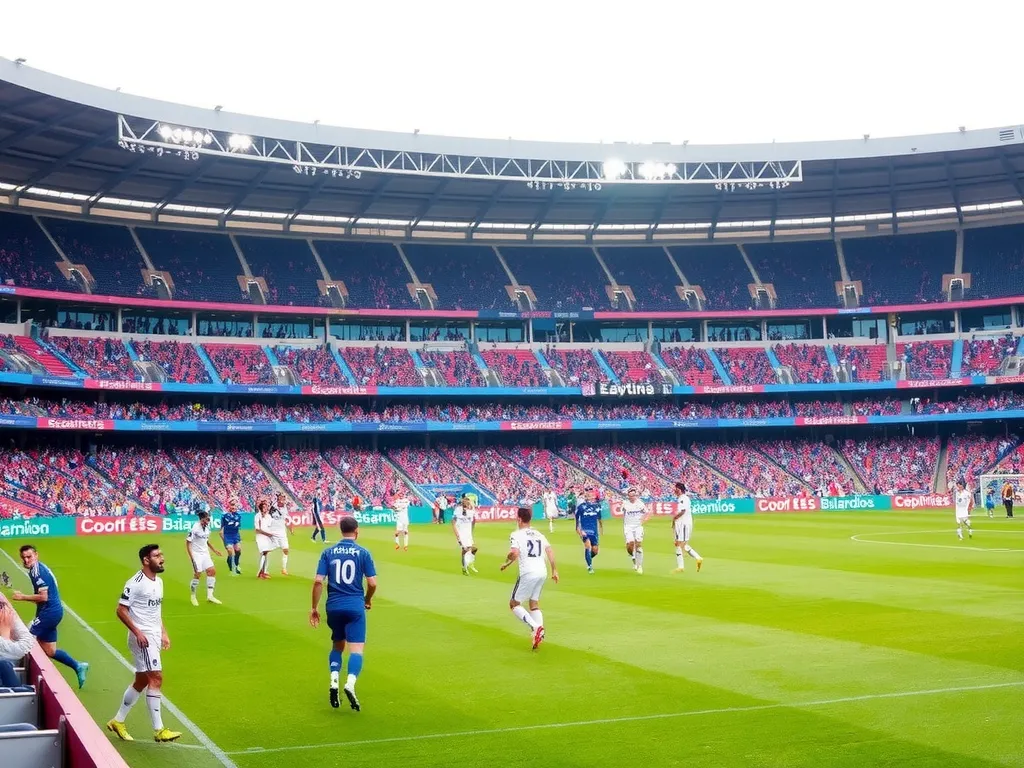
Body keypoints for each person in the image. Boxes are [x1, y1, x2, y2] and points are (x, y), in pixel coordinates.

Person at [106, 544, 181, 743]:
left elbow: (156, 611)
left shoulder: (159, 581)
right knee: (156, 677)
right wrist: (137, 632)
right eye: (157, 555)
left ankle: (117, 720)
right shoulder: (135, 583)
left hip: (154, 634)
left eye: (161, 554)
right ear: (146, 560)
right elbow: (120, 610)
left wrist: (164, 633)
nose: (162, 558)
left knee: (142, 680)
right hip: (143, 637)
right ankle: (159, 729)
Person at [310, 517, 377, 712]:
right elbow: (372, 583)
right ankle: (350, 683)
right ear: (356, 531)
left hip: (333, 606)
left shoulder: (327, 552)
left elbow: (317, 582)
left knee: (337, 645)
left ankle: (333, 680)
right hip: (355, 606)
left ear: (340, 530)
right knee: (356, 650)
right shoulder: (363, 553)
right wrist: (367, 600)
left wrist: (314, 608)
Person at [10, 545, 88, 688]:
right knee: (50, 651)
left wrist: (22, 597)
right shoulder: (38, 569)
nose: (26, 560)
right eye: (24, 558)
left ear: (36, 555)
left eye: (29, 557)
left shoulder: (37, 572)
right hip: (51, 612)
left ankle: (15, 680)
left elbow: (43, 597)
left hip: (49, 613)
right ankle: (78, 666)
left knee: (24, 639)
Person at [501, 507, 558, 650]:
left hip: (528, 572)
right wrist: (554, 570)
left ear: (519, 519)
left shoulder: (516, 534)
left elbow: (514, 553)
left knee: (514, 604)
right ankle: (538, 635)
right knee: (534, 603)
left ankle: (536, 627)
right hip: (542, 571)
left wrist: (508, 557)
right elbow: (549, 550)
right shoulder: (538, 534)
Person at [186, 511, 222, 607]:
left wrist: (214, 550)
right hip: (196, 554)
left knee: (212, 571)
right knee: (198, 574)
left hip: (205, 553)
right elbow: (188, 543)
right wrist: (192, 557)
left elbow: (206, 540)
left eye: (209, 519)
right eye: (207, 519)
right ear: (202, 519)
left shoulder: (207, 528)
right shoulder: (195, 528)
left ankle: (210, 596)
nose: (208, 521)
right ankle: (193, 596)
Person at [672, 482, 703, 573]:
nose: (674, 491)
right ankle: (697, 558)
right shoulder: (682, 499)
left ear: (679, 489)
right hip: (682, 524)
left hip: (684, 524)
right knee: (679, 544)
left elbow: (683, 511)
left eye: (675, 489)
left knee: (680, 544)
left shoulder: (683, 498)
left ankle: (681, 567)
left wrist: (674, 518)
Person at [620, 487, 651, 575]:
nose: (632, 497)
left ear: (636, 495)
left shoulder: (640, 504)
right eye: (630, 496)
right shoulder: (625, 504)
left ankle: (640, 566)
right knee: (630, 544)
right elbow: (620, 510)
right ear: (628, 496)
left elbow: (647, 513)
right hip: (628, 526)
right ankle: (633, 558)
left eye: (634, 495)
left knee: (638, 544)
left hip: (638, 526)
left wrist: (644, 520)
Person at [574, 489, 603, 574]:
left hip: (594, 532)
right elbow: (577, 520)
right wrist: (578, 530)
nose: (588, 497)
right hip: (584, 530)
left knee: (595, 551)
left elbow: (599, 518)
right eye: (587, 496)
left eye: (590, 495)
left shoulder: (597, 506)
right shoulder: (581, 507)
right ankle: (590, 567)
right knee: (588, 545)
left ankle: (588, 558)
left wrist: (601, 529)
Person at [452, 494, 479, 575]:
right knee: (465, 550)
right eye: (465, 499)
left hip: (468, 534)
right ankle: (465, 567)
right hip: (461, 534)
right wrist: (457, 536)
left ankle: (470, 563)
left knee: (474, 549)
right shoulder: (458, 510)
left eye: (468, 500)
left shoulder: (471, 511)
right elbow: (453, 523)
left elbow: (473, 521)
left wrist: (471, 530)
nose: (466, 501)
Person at [269, 492, 295, 575]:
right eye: (282, 498)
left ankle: (284, 569)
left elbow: (286, 519)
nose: (284, 499)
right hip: (272, 532)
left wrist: (290, 529)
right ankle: (264, 569)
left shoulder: (285, 508)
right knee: (267, 551)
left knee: (286, 550)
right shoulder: (272, 506)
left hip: (282, 532)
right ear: (278, 498)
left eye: (284, 498)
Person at [255, 498, 277, 580]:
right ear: (261, 508)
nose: (266, 508)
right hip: (260, 537)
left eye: (266, 507)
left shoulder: (268, 516)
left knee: (265, 554)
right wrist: (268, 534)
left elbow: (272, 524)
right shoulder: (258, 516)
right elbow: (257, 529)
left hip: (267, 537)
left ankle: (263, 571)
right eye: (264, 507)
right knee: (264, 552)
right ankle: (261, 572)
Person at [220, 498, 243, 575]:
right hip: (227, 535)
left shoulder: (239, 516)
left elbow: (237, 527)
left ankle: (236, 565)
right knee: (230, 550)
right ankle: (232, 566)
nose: (234, 507)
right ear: (229, 506)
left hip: (235, 535)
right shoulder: (224, 516)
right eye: (232, 505)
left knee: (238, 550)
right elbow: (221, 531)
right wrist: (225, 541)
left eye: (235, 506)